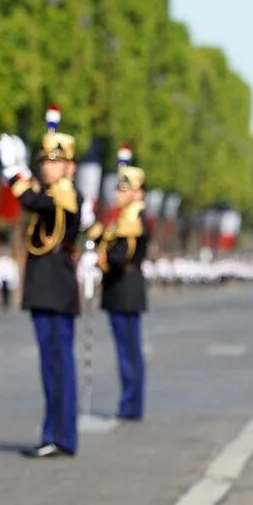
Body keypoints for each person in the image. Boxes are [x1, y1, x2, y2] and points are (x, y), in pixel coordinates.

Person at [0, 105, 83, 459]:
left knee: (57, 365)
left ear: (69, 167)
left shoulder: (63, 193)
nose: (46, 165)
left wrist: (13, 171)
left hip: (54, 289)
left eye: (54, 161)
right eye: (44, 160)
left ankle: (59, 436)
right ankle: (58, 434)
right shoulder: (55, 192)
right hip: (49, 288)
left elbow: (33, 200)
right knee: (53, 365)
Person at [92, 146, 149, 421]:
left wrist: (100, 260)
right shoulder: (126, 219)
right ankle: (130, 402)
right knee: (127, 350)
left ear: (137, 193)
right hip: (123, 288)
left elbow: (118, 255)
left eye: (124, 190)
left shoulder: (133, 219)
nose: (119, 194)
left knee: (128, 351)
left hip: (125, 287)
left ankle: (130, 403)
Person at [0, 240, 20, 311]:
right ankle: (3, 303)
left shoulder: (11, 261)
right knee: (2, 292)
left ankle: (7, 302)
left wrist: (14, 280)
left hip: (8, 279)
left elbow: (14, 271)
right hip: (1, 279)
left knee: (8, 292)